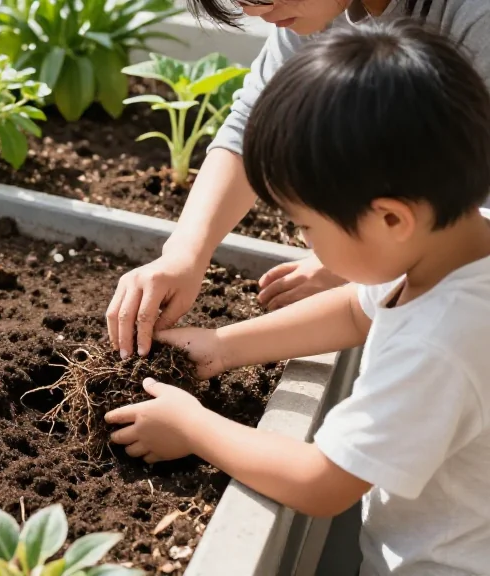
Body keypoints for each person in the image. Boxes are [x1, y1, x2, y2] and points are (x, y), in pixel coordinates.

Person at [106, 21, 490, 575]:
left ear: (391, 218)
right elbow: (359, 308)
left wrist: (192, 426)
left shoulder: (441, 343)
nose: (302, 243)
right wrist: (221, 347)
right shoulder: (455, 246)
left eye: (306, 227)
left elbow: (321, 482)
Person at [106, 0, 490, 358]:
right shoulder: (310, 8)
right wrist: (185, 254)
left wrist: (361, 258)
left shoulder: (477, 16)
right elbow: (252, 123)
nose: (256, 10)